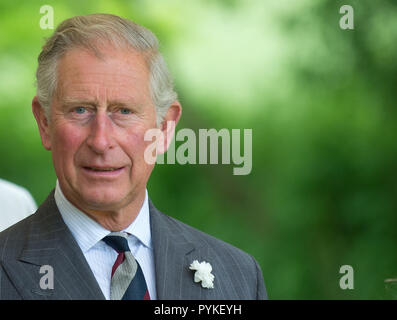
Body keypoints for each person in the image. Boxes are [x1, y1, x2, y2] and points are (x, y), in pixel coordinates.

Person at [0, 14, 266, 300]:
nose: (101, 140)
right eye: (80, 110)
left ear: (164, 128)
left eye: (124, 111)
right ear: (45, 123)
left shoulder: (238, 277)